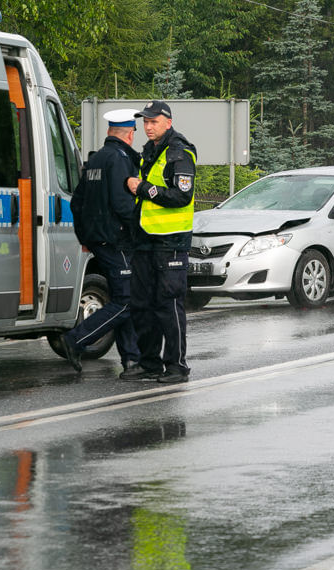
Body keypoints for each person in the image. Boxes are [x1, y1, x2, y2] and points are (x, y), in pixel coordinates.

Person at [60, 109, 142, 374]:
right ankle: (76, 340)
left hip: (98, 240)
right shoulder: (120, 160)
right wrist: (139, 230)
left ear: (109, 132)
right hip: (116, 240)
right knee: (126, 301)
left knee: (123, 297)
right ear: (130, 135)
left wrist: (85, 236)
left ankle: (132, 360)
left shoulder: (95, 160)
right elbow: (122, 204)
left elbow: (77, 202)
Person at [123, 100, 197, 383]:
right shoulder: (150, 150)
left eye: (153, 121)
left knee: (168, 303)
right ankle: (149, 362)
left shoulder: (179, 151)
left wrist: (142, 188)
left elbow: (182, 196)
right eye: (145, 122)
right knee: (143, 303)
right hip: (145, 240)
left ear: (168, 121)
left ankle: (177, 366)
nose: (148, 126)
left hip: (171, 241)